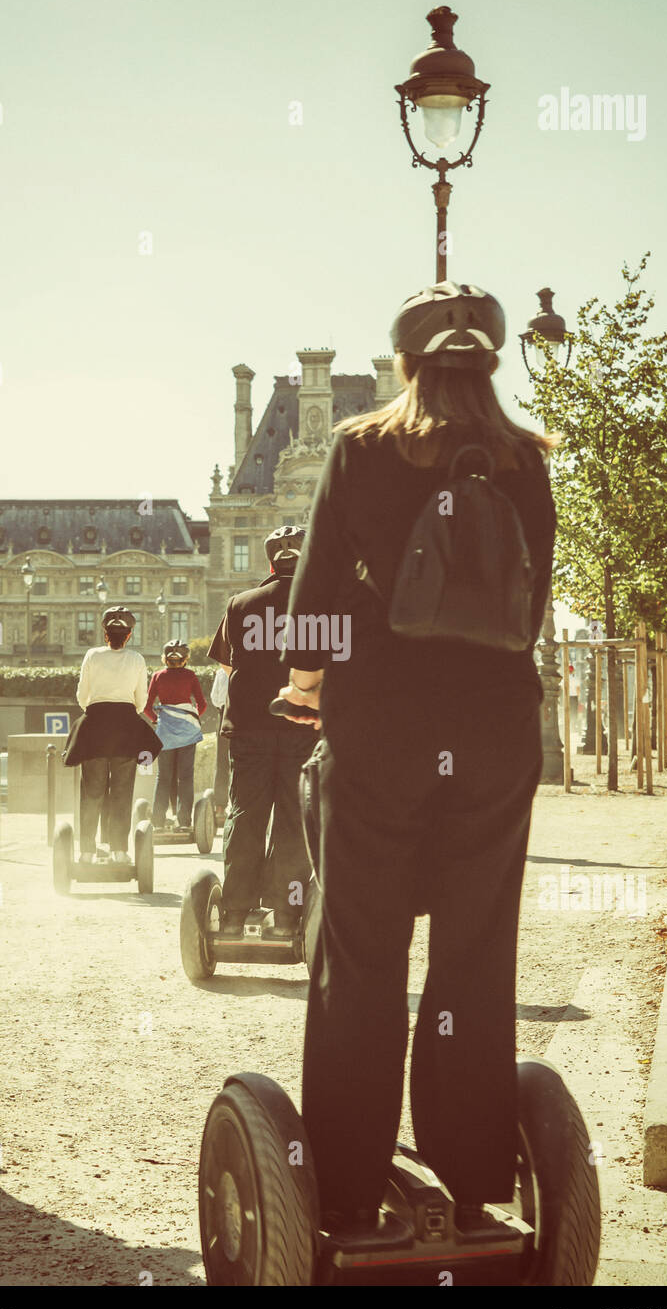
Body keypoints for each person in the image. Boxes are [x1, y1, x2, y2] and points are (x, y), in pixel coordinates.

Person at [276, 281, 556, 1234]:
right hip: (496, 734)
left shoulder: (361, 450)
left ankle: (350, 1186)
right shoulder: (526, 460)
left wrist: (306, 686)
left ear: (404, 361)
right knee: (477, 951)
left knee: (360, 952)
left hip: (385, 733)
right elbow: (535, 602)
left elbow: (312, 595)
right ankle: (474, 1172)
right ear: (493, 361)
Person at [208, 526, 317, 938]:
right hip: (302, 726)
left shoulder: (240, 604)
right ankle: (286, 916)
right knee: (294, 818)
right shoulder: (324, 607)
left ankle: (234, 914)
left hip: (250, 727)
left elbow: (226, 665)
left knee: (246, 814)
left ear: (269, 562)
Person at [63, 605, 159, 863]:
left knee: (92, 792)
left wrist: (96, 709)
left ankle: (86, 852)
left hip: (95, 727)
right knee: (121, 793)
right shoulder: (137, 659)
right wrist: (126, 710)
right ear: (129, 635)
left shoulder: (92, 656)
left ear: (105, 633)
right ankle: (119, 851)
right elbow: (141, 700)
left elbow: (82, 696)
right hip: (126, 728)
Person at [145, 640, 206, 831]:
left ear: (164, 658)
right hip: (188, 732)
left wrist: (157, 719)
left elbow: (147, 708)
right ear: (186, 659)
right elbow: (202, 704)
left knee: (163, 777)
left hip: (165, 734)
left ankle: (157, 823)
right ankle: (184, 822)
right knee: (185, 777)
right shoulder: (190, 676)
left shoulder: (157, 676)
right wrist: (190, 718)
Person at [211, 664, 230, 821]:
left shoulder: (221, 672)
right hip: (246, 715)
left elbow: (215, 699)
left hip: (224, 714)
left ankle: (220, 808)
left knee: (222, 762)